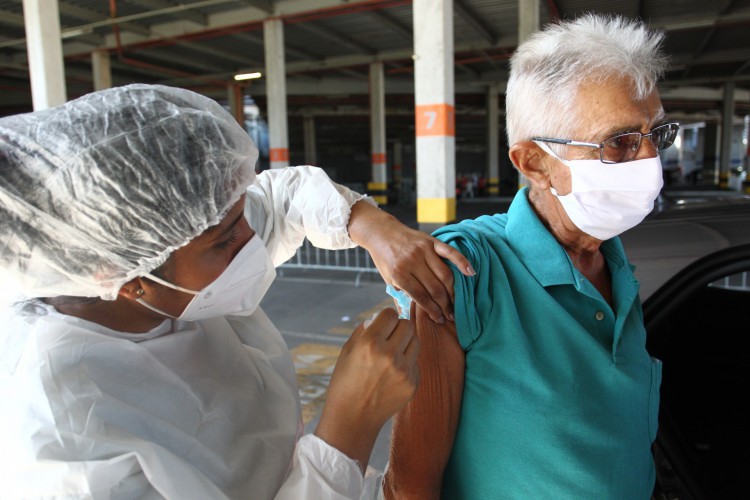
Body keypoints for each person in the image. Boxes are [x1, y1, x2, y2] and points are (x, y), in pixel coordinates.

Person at [0, 84, 473, 499]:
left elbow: (279, 199)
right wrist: (348, 427)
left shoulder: (167, 262)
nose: (252, 238)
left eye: (241, 213)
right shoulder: (64, 443)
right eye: (226, 239)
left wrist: (372, 225)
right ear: (125, 278)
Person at [384, 14, 678, 499]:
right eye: (621, 143)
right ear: (534, 163)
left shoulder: (615, 265)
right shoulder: (467, 270)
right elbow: (409, 484)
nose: (649, 160)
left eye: (656, 135)